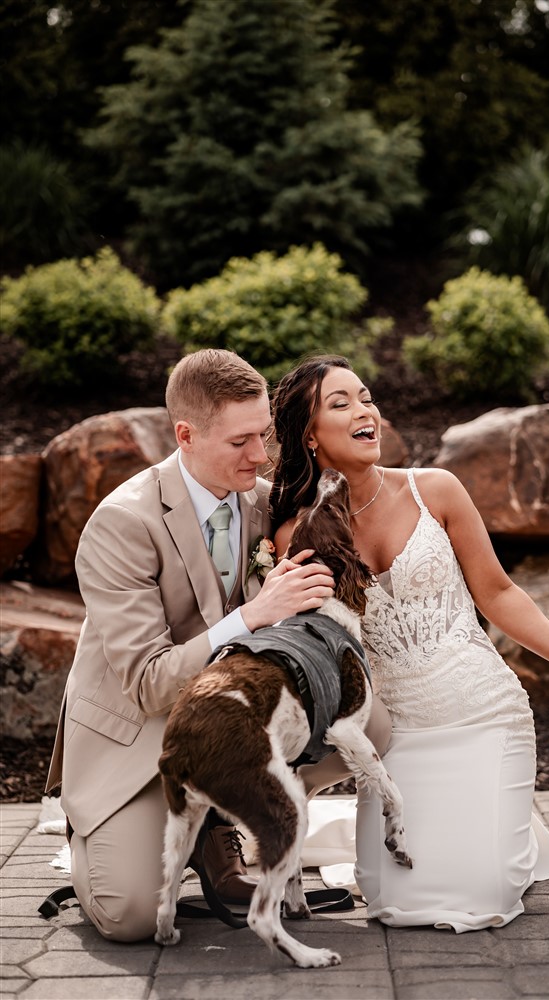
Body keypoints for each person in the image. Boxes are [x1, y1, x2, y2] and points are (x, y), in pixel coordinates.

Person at [269, 354, 549, 931]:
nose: (364, 410)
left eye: (366, 397)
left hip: (483, 713)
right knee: (393, 901)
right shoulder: (299, 532)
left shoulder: (435, 489)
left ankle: (505, 831)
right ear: (310, 435)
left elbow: (498, 593)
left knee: (485, 896)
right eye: (340, 404)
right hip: (396, 739)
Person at [45, 348, 390, 942]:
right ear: (186, 435)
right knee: (127, 916)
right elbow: (151, 682)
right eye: (240, 442)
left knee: (371, 724)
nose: (259, 457)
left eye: (264, 437)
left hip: (233, 718)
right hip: (140, 735)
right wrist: (254, 616)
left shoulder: (262, 503)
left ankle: (226, 816)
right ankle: (98, 831)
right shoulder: (122, 523)